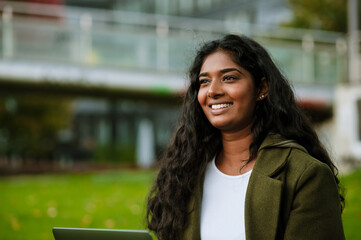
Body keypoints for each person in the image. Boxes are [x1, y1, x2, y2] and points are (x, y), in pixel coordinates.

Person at [146, 34, 345, 240]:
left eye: (229, 78)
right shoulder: (185, 173)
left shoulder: (305, 175)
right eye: (204, 81)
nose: (212, 91)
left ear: (262, 88)